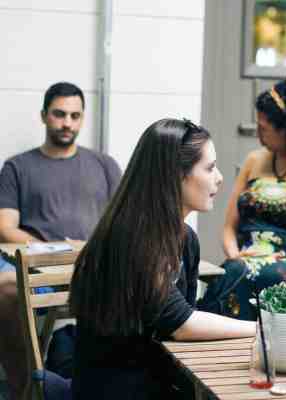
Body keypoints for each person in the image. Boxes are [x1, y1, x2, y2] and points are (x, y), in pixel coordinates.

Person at [69, 119, 256, 399]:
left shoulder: (185, 238)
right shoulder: (131, 236)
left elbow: (181, 325)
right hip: (119, 389)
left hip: (159, 380)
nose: (219, 178)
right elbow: (182, 325)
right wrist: (263, 329)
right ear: (175, 174)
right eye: (209, 168)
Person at [0, 82, 121, 400]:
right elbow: (5, 227)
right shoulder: (17, 167)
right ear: (44, 116)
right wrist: (51, 250)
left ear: (82, 119)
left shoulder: (105, 166)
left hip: (93, 267)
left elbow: (125, 222)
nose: (67, 122)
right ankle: (27, 390)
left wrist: (90, 249)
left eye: (74, 116)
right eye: (59, 114)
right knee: (6, 286)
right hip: (39, 269)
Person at [198, 61, 286, 325]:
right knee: (232, 273)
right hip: (244, 266)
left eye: (264, 128)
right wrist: (236, 257)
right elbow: (229, 228)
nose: (258, 134)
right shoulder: (254, 160)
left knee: (254, 276)